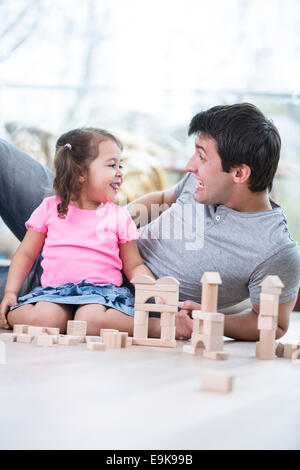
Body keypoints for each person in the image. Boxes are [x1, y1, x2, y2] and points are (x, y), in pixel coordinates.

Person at [0, 103, 300, 341]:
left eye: (202, 157)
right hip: (77, 230)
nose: (189, 166)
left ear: (239, 174)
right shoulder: (199, 184)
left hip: (111, 301)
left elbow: (273, 326)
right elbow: (163, 198)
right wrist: (110, 221)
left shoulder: (276, 251)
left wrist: (208, 320)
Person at [0, 127, 157, 336]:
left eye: (121, 165)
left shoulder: (119, 215)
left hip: (101, 296)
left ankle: (156, 327)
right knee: (46, 319)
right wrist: (10, 293)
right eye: (112, 165)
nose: (120, 172)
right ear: (80, 172)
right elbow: (26, 254)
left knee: (89, 320)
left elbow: (134, 265)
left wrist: (154, 290)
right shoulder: (50, 208)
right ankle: (8, 314)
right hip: (54, 293)